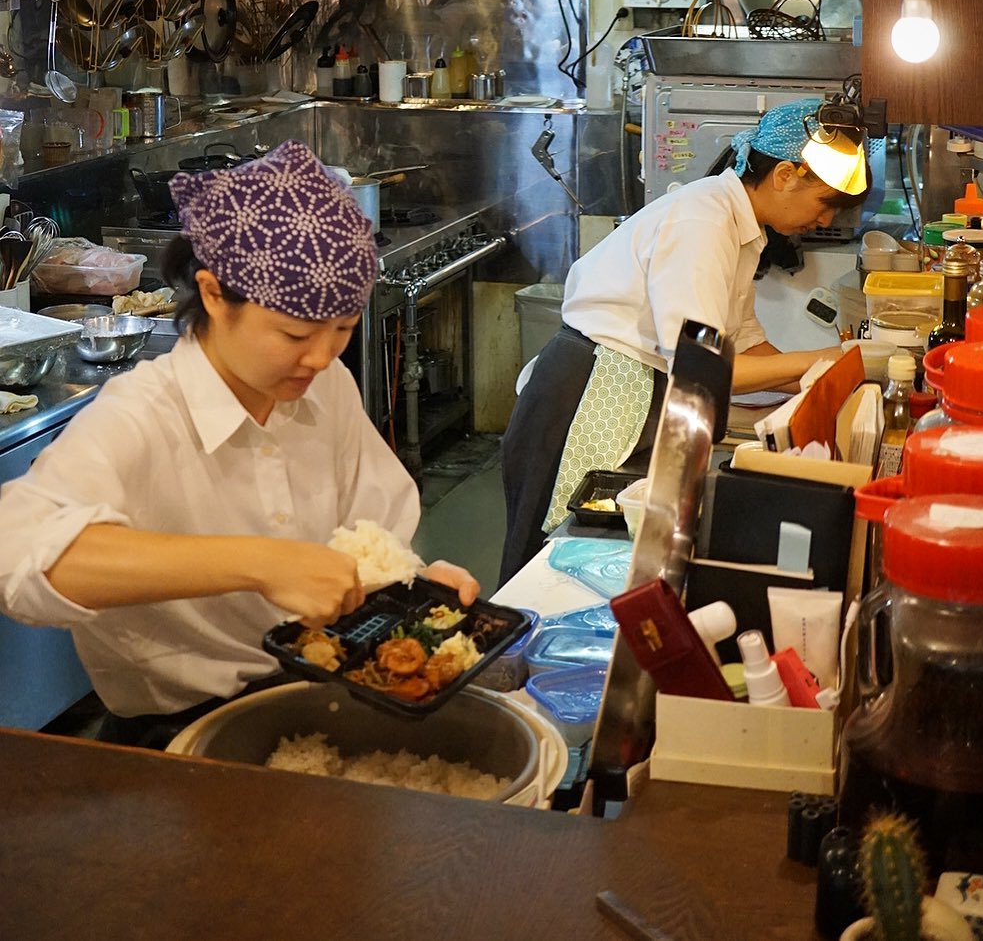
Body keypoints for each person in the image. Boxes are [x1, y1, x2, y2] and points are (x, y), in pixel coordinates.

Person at [0, 140, 478, 748]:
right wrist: (258, 563)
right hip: (179, 737)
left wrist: (415, 588)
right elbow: (15, 556)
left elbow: (373, 532)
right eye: (294, 333)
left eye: (344, 329)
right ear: (213, 296)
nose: (322, 355)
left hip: (330, 696)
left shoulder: (326, 385)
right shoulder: (141, 415)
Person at [499, 98, 871, 585]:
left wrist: (825, 378)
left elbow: (745, 347)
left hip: (635, 394)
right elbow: (704, 367)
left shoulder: (742, 230)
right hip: (592, 394)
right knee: (549, 565)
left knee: (601, 565)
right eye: (824, 204)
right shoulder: (703, 221)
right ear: (785, 175)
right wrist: (827, 359)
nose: (824, 221)